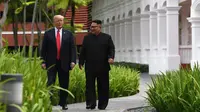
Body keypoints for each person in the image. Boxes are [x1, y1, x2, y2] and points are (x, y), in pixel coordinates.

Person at [41, 15, 76, 110]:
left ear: (63, 22)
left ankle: (63, 103)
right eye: (57, 21)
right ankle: (49, 102)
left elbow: (72, 48)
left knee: (64, 83)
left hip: (64, 62)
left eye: (61, 20)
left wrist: (73, 61)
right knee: (50, 82)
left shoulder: (68, 34)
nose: (59, 22)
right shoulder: (48, 33)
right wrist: (43, 61)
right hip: (51, 62)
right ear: (54, 22)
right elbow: (43, 49)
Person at [79, 19, 115, 110]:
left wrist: (111, 57)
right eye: (91, 27)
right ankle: (91, 103)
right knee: (89, 86)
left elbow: (111, 49)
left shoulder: (107, 37)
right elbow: (83, 51)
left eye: (94, 27)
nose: (92, 28)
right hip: (90, 66)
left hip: (103, 66)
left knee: (103, 86)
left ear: (99, 27)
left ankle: (102, 104)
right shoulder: (87, 38)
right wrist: (81, 62)